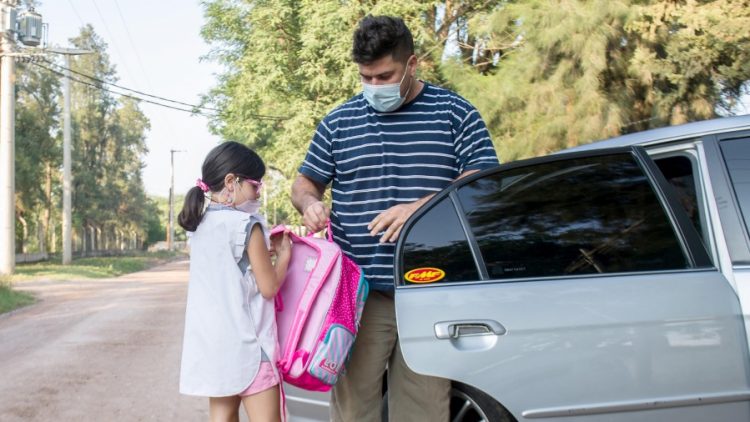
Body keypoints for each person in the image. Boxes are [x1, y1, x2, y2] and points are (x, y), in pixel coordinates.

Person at [291, 15, 500, 422]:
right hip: (361, 295)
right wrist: (309, 203)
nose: (374, 86)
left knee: (423, 411)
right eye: (366, 77)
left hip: (433, 291)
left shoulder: (454, 113)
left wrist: (421, 207)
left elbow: (484, 182)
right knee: (354, 411)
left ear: (412, 64)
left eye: (384, 75)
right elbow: (304, 182)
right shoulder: (339, 121)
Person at [178, 141, 291, 422]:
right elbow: (269, 288)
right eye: (256, 185)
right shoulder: (246, 225)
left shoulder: (198, 229)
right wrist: (285, 256)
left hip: (216, 351)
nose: (258, 194)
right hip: (251, 350)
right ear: (231, 182)